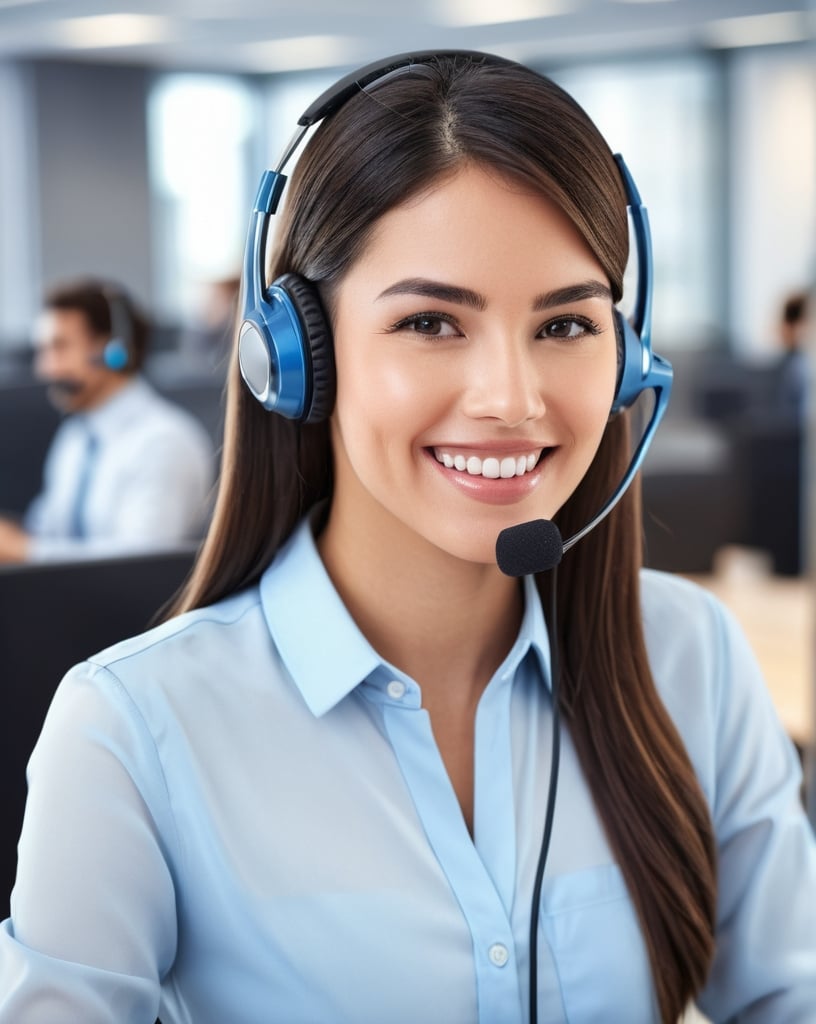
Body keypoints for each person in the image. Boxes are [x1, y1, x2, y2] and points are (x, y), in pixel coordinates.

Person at [0, 51, 814, 1024]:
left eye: (564, 326)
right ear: (296, 357)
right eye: (432, 321)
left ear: (631, 356)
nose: (511, 399)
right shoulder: (131, 731)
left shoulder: (691, 657)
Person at [0, 279, 215, 563]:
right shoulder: (77, 434)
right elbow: (46, 528)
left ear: (113, 352)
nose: (44, 369)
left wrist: (26, 551)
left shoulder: (163, 442)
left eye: (59, 348)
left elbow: (139, 565)